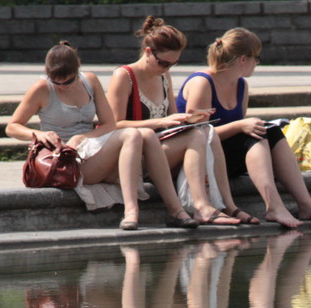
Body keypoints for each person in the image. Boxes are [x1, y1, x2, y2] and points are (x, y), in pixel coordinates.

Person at [6, 40, 199, 231]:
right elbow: (12, 126)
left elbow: (109, 124)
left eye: (69, 81)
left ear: (78, 68)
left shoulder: (90, 81)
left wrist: (84, 137)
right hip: (64, 160)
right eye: (57, 82)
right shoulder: (41, 88)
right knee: (131, 135)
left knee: (147, 135)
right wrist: (37, 134)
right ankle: (131, 212)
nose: (63, 86)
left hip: (91, 147)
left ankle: (176, 211)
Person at [177, 27, 311, 229]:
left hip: (226, 156)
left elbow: (237, 133)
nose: (258, 63)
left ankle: (306, 204)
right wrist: (239, 125)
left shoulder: (241, 85)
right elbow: (195, 135)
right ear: (243, 59)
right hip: (199, 159)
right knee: (253, 134)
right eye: (257, 57)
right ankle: (273, 206)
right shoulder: (203, 83)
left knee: (269, 131)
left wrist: (242, 126)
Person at [106, 16, 257, 226]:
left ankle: (218, 205)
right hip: (133, 155)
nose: (166, 68)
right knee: (198, 134)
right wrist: (161, 122)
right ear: (148, 52)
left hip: (160, 147)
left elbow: (172, 119)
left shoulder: (163, 76)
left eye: (173, 64)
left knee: (203, 130)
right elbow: (113, 125)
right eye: (163, 63)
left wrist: (188, 119)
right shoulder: (124, 75)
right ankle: (202, 205)